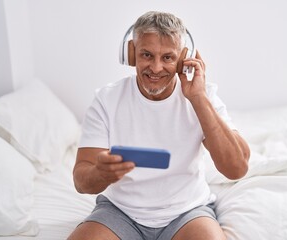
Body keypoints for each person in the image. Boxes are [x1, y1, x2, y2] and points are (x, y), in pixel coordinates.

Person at [68, 10, 250, 240]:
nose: (155, 68)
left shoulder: (204, 97)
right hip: (120, 212)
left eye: (167, 57)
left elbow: (237, 168)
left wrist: (198, 98)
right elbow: (81, 182)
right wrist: (100, 173)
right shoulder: (107, 99)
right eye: (146, 55)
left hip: (187, 213)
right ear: (131, 54)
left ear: (184, 59)